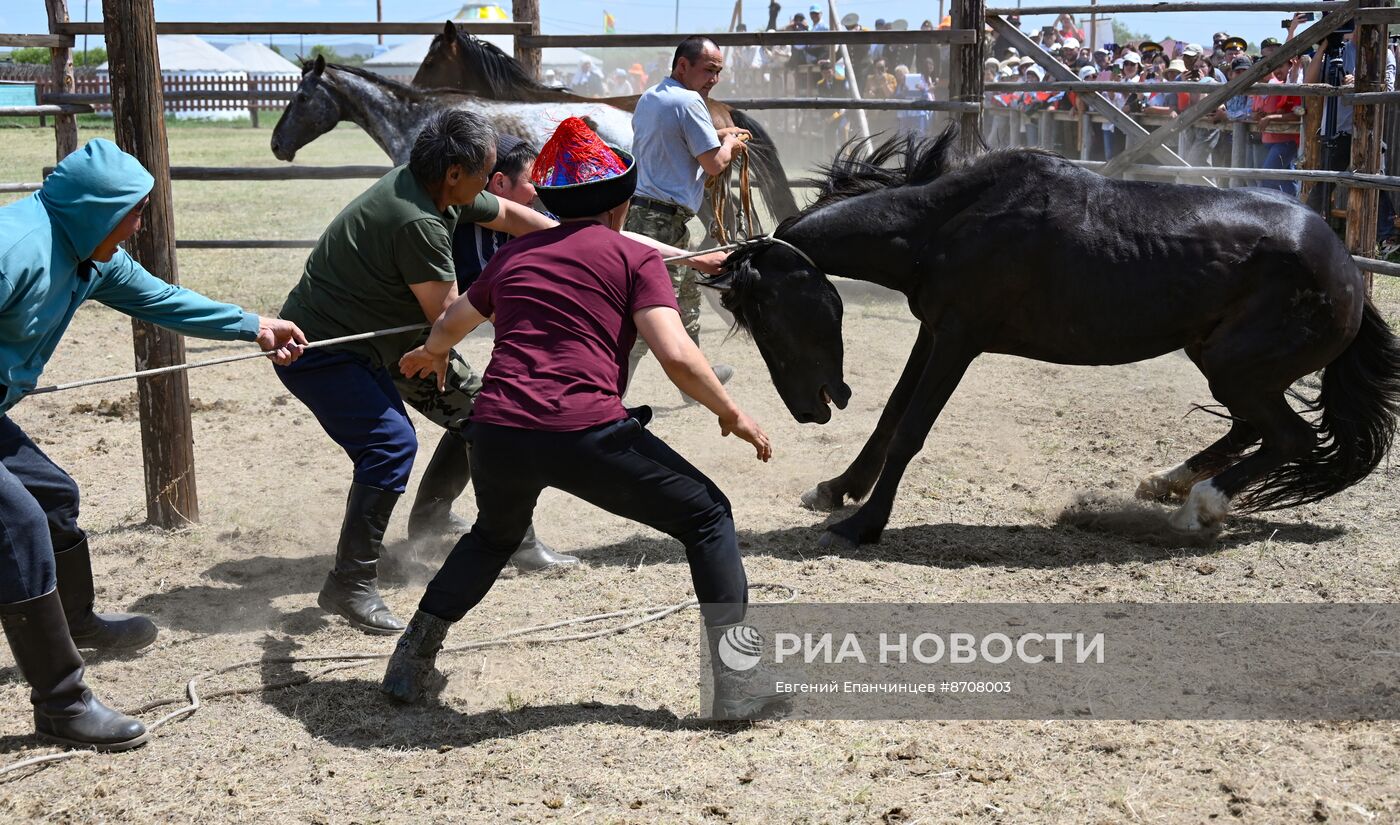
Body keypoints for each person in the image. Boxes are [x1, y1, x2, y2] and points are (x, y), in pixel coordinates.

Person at [383, 119, 785, 721]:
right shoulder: (634, 258)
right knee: (707, 517)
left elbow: (453, 321)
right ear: (622, 202)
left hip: (496, 430)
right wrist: (732, 413)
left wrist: (434, 351)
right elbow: (676, 355)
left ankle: (410, 660)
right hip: (584, 431)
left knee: (493, 536)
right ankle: (736, 684)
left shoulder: (513, 256)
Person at [0, 139, 306, 751]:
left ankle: (77, 622)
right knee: (19, 525)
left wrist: (254, 325)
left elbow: (161, 299)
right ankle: (63, 704)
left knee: (52, 496)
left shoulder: (90, 254)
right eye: (135, 212)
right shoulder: (16, 250)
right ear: (98, 208)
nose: (140, 225)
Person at [624, 36, 747, 394]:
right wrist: (730, 144)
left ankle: (694, 383)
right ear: (683, 66)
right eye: (708, 70)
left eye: (718, 72)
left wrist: (718, 133)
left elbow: (676, 138)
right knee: (653, 313)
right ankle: (612, 396)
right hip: (663, 220)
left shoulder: (652, 97)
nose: (714, 79)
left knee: (686, 299)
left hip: (646, 214)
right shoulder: (690, 102)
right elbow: (714, 163)